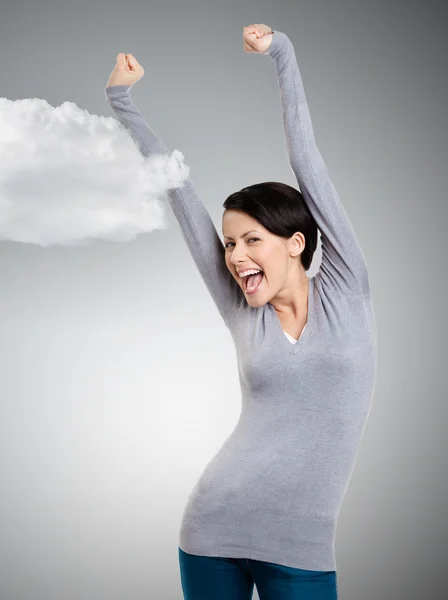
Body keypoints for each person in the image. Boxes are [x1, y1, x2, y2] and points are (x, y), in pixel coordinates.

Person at [105, 22, 377, 600]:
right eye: (230, 244)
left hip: (302, 548)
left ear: (296, 243)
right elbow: (180, 198)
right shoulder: (241, 312)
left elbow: (306, 159)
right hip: (212, 530)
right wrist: (121, 103)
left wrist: (282, 53)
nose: (234, 256)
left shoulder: (347, 288)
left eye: (251, 240)